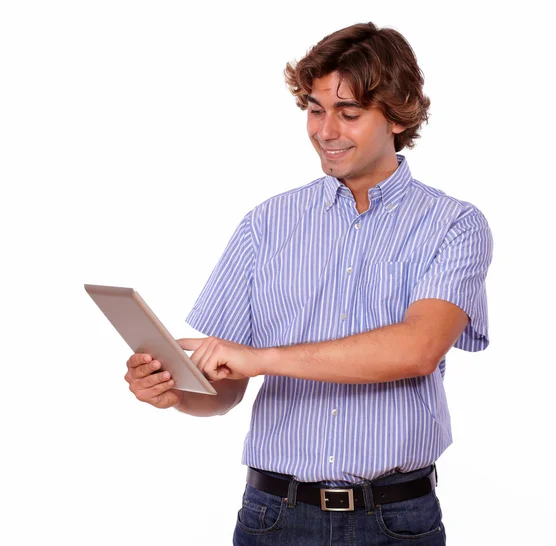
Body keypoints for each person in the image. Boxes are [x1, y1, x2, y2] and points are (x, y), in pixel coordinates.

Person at [124, 21, 493, 545]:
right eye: (316, 111)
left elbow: (418, 349)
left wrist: (262, 358)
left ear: (397, 113)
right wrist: (176, 388)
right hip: (273, 517)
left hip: (396, 522)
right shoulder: (266, 224)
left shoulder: (454, 225)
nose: (326, 131)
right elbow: (224, 389)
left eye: (349, 113)